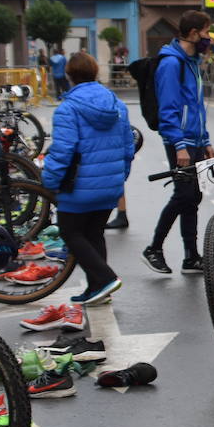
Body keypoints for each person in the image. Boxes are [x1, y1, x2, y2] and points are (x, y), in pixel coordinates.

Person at [41, 52, 135, 306]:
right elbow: (129, 147)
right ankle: (98, 290)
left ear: (69, 76)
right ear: (95, 72)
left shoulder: (68, 109)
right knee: (94, 235)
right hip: (109, 187)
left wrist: (48, 181)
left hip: (78, 187)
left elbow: (62, 152)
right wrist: (119, 178)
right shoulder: (117, 104)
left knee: (70, 232)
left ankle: (105, 278)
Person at [142, 10, 214, 275]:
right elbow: (169, 109)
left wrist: (205, 140)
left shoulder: (191, 61)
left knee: (192, 197)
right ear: (194, 33)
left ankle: (191, 256)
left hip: (194, 140)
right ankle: (154, 248)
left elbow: (196, 106)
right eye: (206, 32)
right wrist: (180, 145)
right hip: (180, 142)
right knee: (184, 195)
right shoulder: (172, 63)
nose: (209, 37)